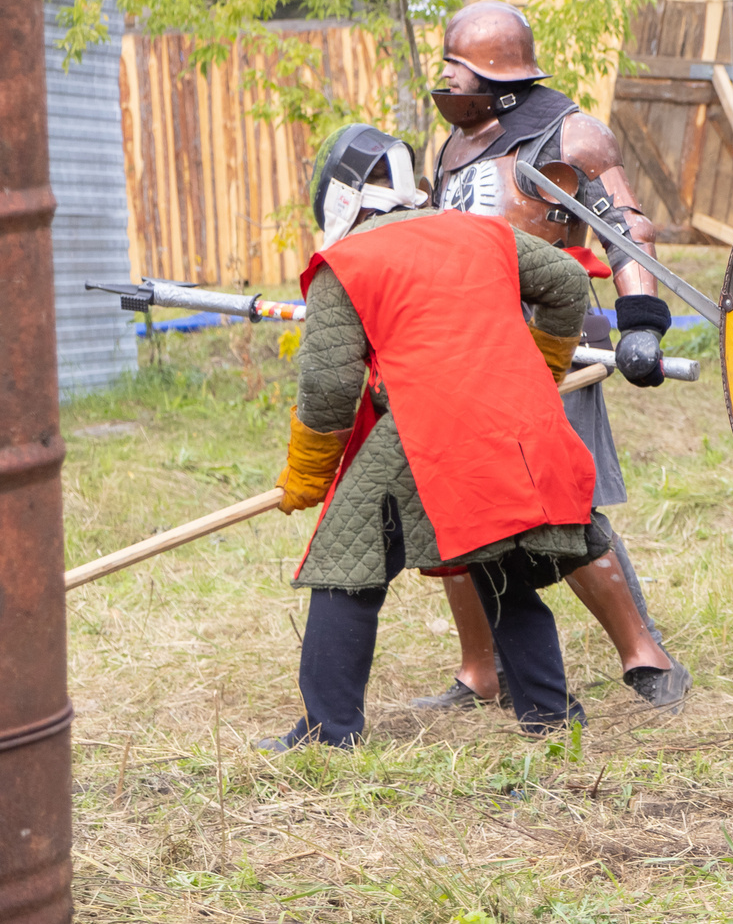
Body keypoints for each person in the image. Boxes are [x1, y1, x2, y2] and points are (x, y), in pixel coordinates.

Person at [259, 126, 604, 748]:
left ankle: (328, 730)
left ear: (340, 199)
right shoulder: (480, 229)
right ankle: (549, 718)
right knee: (500, 562)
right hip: (513, 424)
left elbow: (330, 389)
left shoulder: (349, 261)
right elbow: (570, 286)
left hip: (431, 429)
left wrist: (309, 473)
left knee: (344, 564)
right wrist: (542, 369)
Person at [417, 1, 690, 711]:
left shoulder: (569, 134)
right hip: (459, 352)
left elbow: (625, 225)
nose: (444, 79)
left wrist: (640, 322)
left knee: (568, 506)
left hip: (547, 340)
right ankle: (484, 669)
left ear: (497, 75)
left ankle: (645, 653)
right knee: (458, 507)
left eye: (457, 67)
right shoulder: (450, 146)